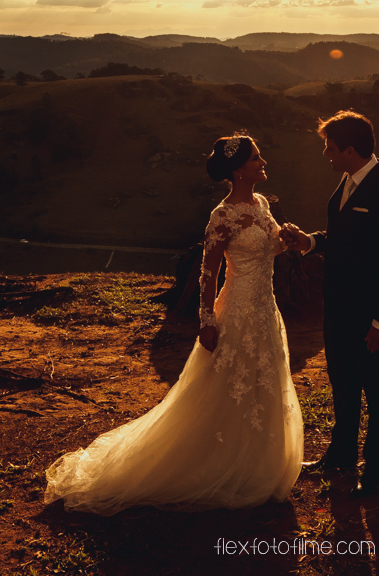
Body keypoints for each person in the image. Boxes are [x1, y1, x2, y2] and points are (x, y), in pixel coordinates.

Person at [44, 135, 303, 514]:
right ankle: (214, 465)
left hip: (266, 311)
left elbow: (270, 248)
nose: (263, 162)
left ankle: (256, 466)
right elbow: (208, 272)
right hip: (235, 311)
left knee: (262, 386)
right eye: (256, 158)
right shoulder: (222, 215)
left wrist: (287, 239)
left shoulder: (262, 204)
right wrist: (207, 320)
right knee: (226, 389)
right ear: (237, 170)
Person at [282, 110, 379, 498]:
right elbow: (341, 235)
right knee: (343, 384)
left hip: (368, 314)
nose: (326, 153)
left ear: (351, 150)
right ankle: (340, 455)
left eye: (331, 147)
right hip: (336, 307)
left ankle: (375, 471)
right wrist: (310, 242)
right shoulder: (347, 182)